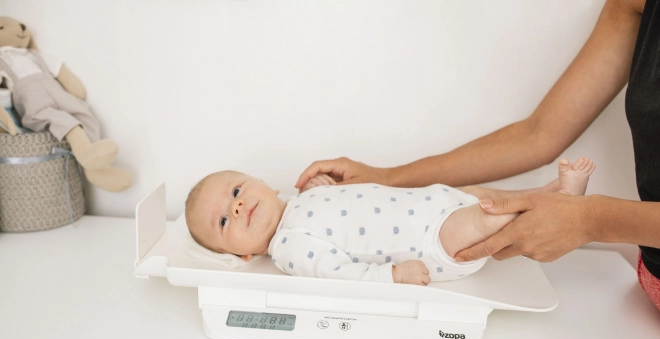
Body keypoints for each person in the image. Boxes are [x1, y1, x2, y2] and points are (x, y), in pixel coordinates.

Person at [295, 0, 660, 309]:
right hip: (649, 278)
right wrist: (385, 178)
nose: (237, 208)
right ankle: (558, 195)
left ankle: (562, 198)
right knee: (477, 199)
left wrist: (591, 219)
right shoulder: (633, 4)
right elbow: (539, 135)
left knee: (476, 220)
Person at [185, 158, 594, 285]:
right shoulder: (287, 247)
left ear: (262, 184)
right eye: (224, 221)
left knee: (490, 205)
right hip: (427, 242)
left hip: (433, 204)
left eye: (236, 191)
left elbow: (342, 211)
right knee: (493, 219)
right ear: (240, 254)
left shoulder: (298, 204)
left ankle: (550, 195)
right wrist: (392, 277)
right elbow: (338, 273)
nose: (237, 207)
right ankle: (559, 200)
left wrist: (322, 189)